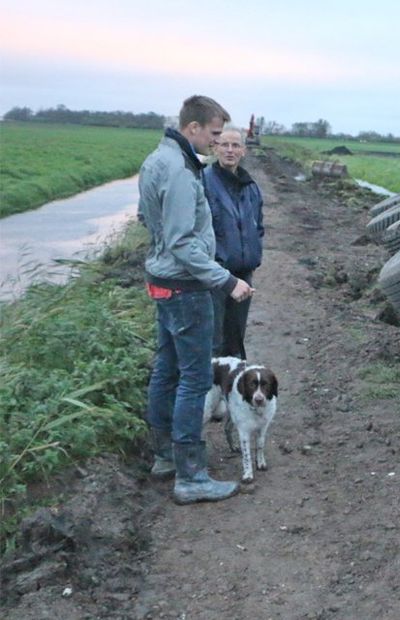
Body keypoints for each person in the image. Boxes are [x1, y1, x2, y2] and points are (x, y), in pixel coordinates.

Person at [138, 95, 253, 504]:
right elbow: (183, 241)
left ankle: (165, 455)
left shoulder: (156, 160)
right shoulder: (183, 173)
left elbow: (146, 219)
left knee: (166, 369)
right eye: (215, 133)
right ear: (193, 128)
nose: (218, 142)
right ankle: (191, 476)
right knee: (195, 378)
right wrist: (226, 281)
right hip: (186, 286)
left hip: (162, 279)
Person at [204, 126, 264, 359]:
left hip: (244, 273)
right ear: (215, 148)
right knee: (214, 340)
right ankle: (209, 391)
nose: (230, 150)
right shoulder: (204, 182)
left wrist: (253, 255)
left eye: (235, 145)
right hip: (216, 276)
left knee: (236, 338)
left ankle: (234, 391)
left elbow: (258, 226)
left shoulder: (251, 187)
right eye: (224, 145)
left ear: (243, 151)